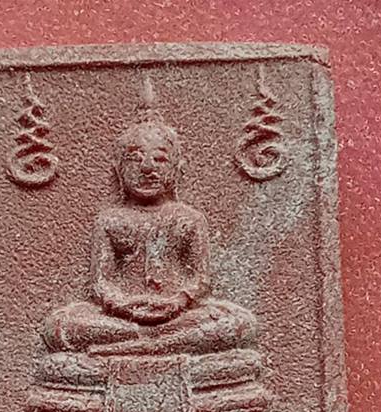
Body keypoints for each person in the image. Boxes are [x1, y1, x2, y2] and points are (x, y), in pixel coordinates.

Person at [43, 79, 256, 358]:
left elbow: (201, 278)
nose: (147, 168)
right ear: (118, 170)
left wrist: (178, 302)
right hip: (122, 318)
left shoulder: (188, 218)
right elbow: (101, 283)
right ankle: (161, 344)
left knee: (239, 323)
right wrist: (122, 306)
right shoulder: (110, 219)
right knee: (61, 326)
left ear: (177, 168)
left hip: (178, 316)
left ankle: (144, 347)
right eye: (134, 159)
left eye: (159, 159)